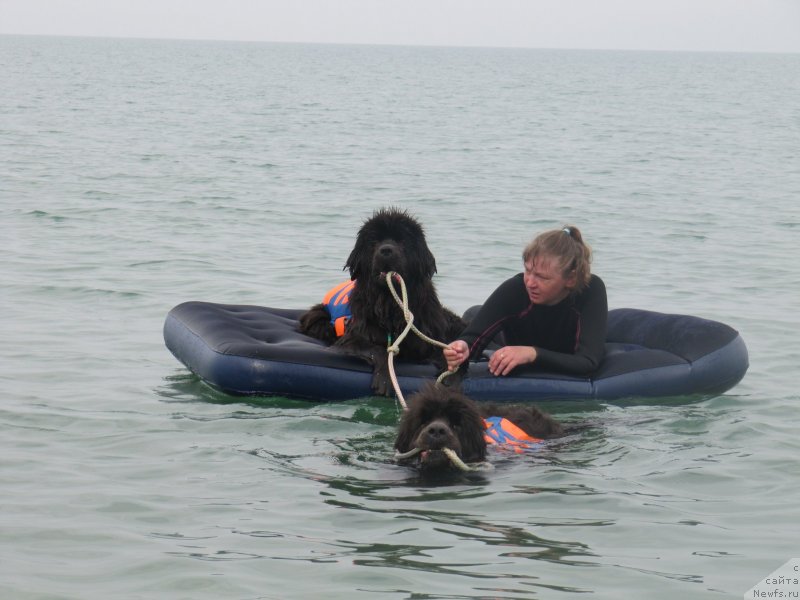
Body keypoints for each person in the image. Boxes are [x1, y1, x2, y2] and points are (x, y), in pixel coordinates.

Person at [444, 225, 607, 377]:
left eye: (542, 277)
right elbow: (473, 339)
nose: (530, 283)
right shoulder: (515, 289)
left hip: (549, 350)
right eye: (528, 271)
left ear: (570, 278)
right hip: (505, 339)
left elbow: (588, 361)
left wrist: (531, 354)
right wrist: (462, 348)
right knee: (475, 315)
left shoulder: (591, 290)